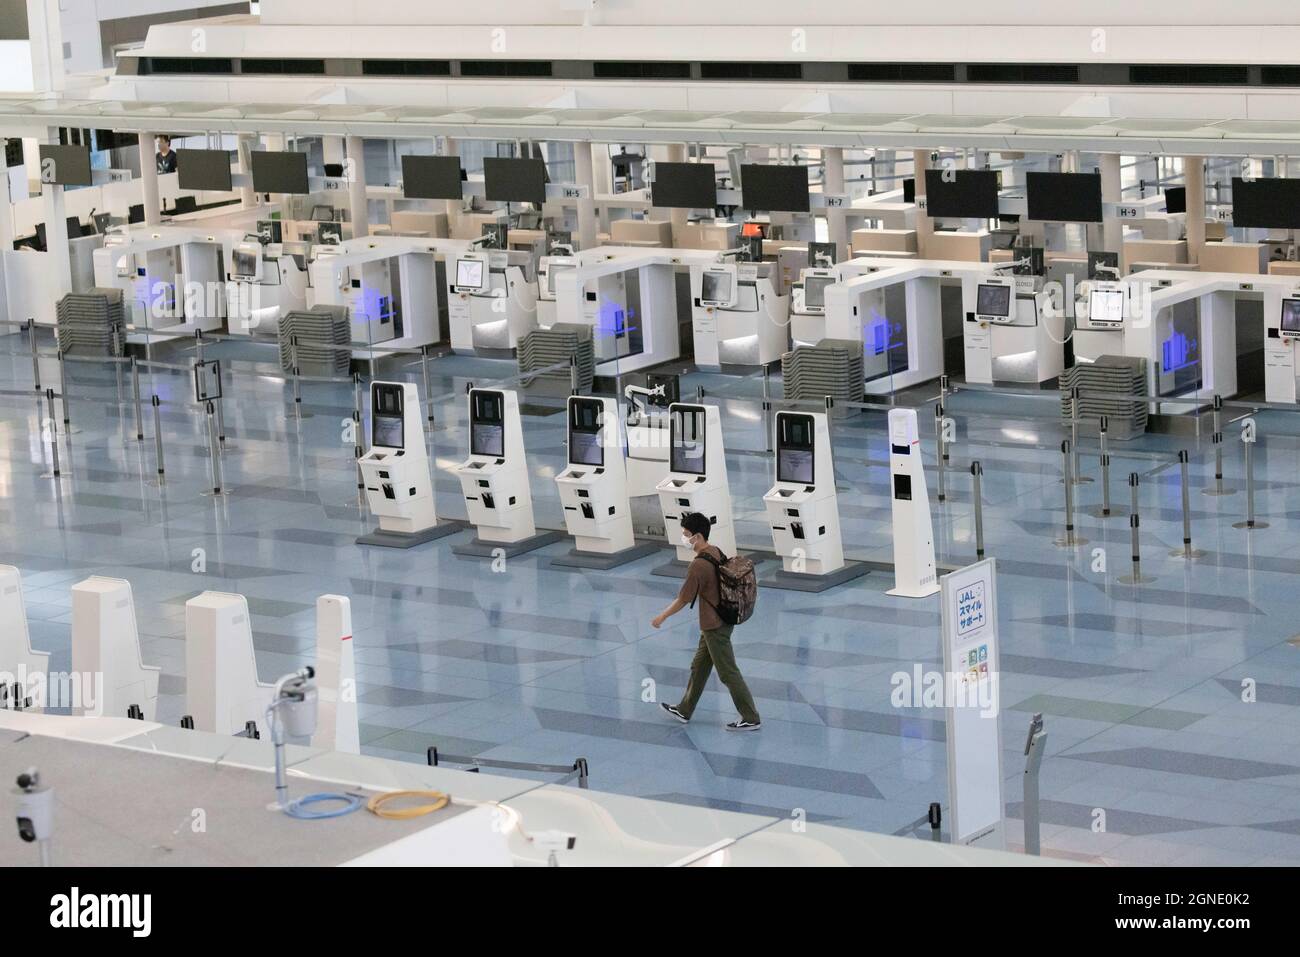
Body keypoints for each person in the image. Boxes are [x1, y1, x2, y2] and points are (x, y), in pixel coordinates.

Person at [651, 512, 761, 731]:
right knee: (699, 667)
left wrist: (661, 617)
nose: (684, 538)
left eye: (686, 534)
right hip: (721, 619)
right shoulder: (715, 551)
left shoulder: (698, 565)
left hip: (714, 626)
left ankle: (751, 716)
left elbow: (683, 599)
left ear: (698, 536)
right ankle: (684, 709)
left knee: (727, 672)